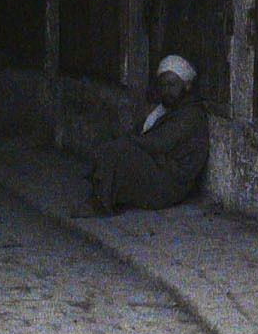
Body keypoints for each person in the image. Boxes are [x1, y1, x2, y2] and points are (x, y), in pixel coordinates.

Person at [77, 54, 209, 216]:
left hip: (171, 186)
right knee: (117, 146)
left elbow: (158, 143)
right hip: (160, 171)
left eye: (172, 84)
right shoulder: (166, 110)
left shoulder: (190, 114)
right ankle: (101, 196)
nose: (167, 90)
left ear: (187, 86)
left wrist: (128, 141)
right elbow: (140, 133)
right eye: (163, 85)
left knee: (121, 150)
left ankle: (101, 203)